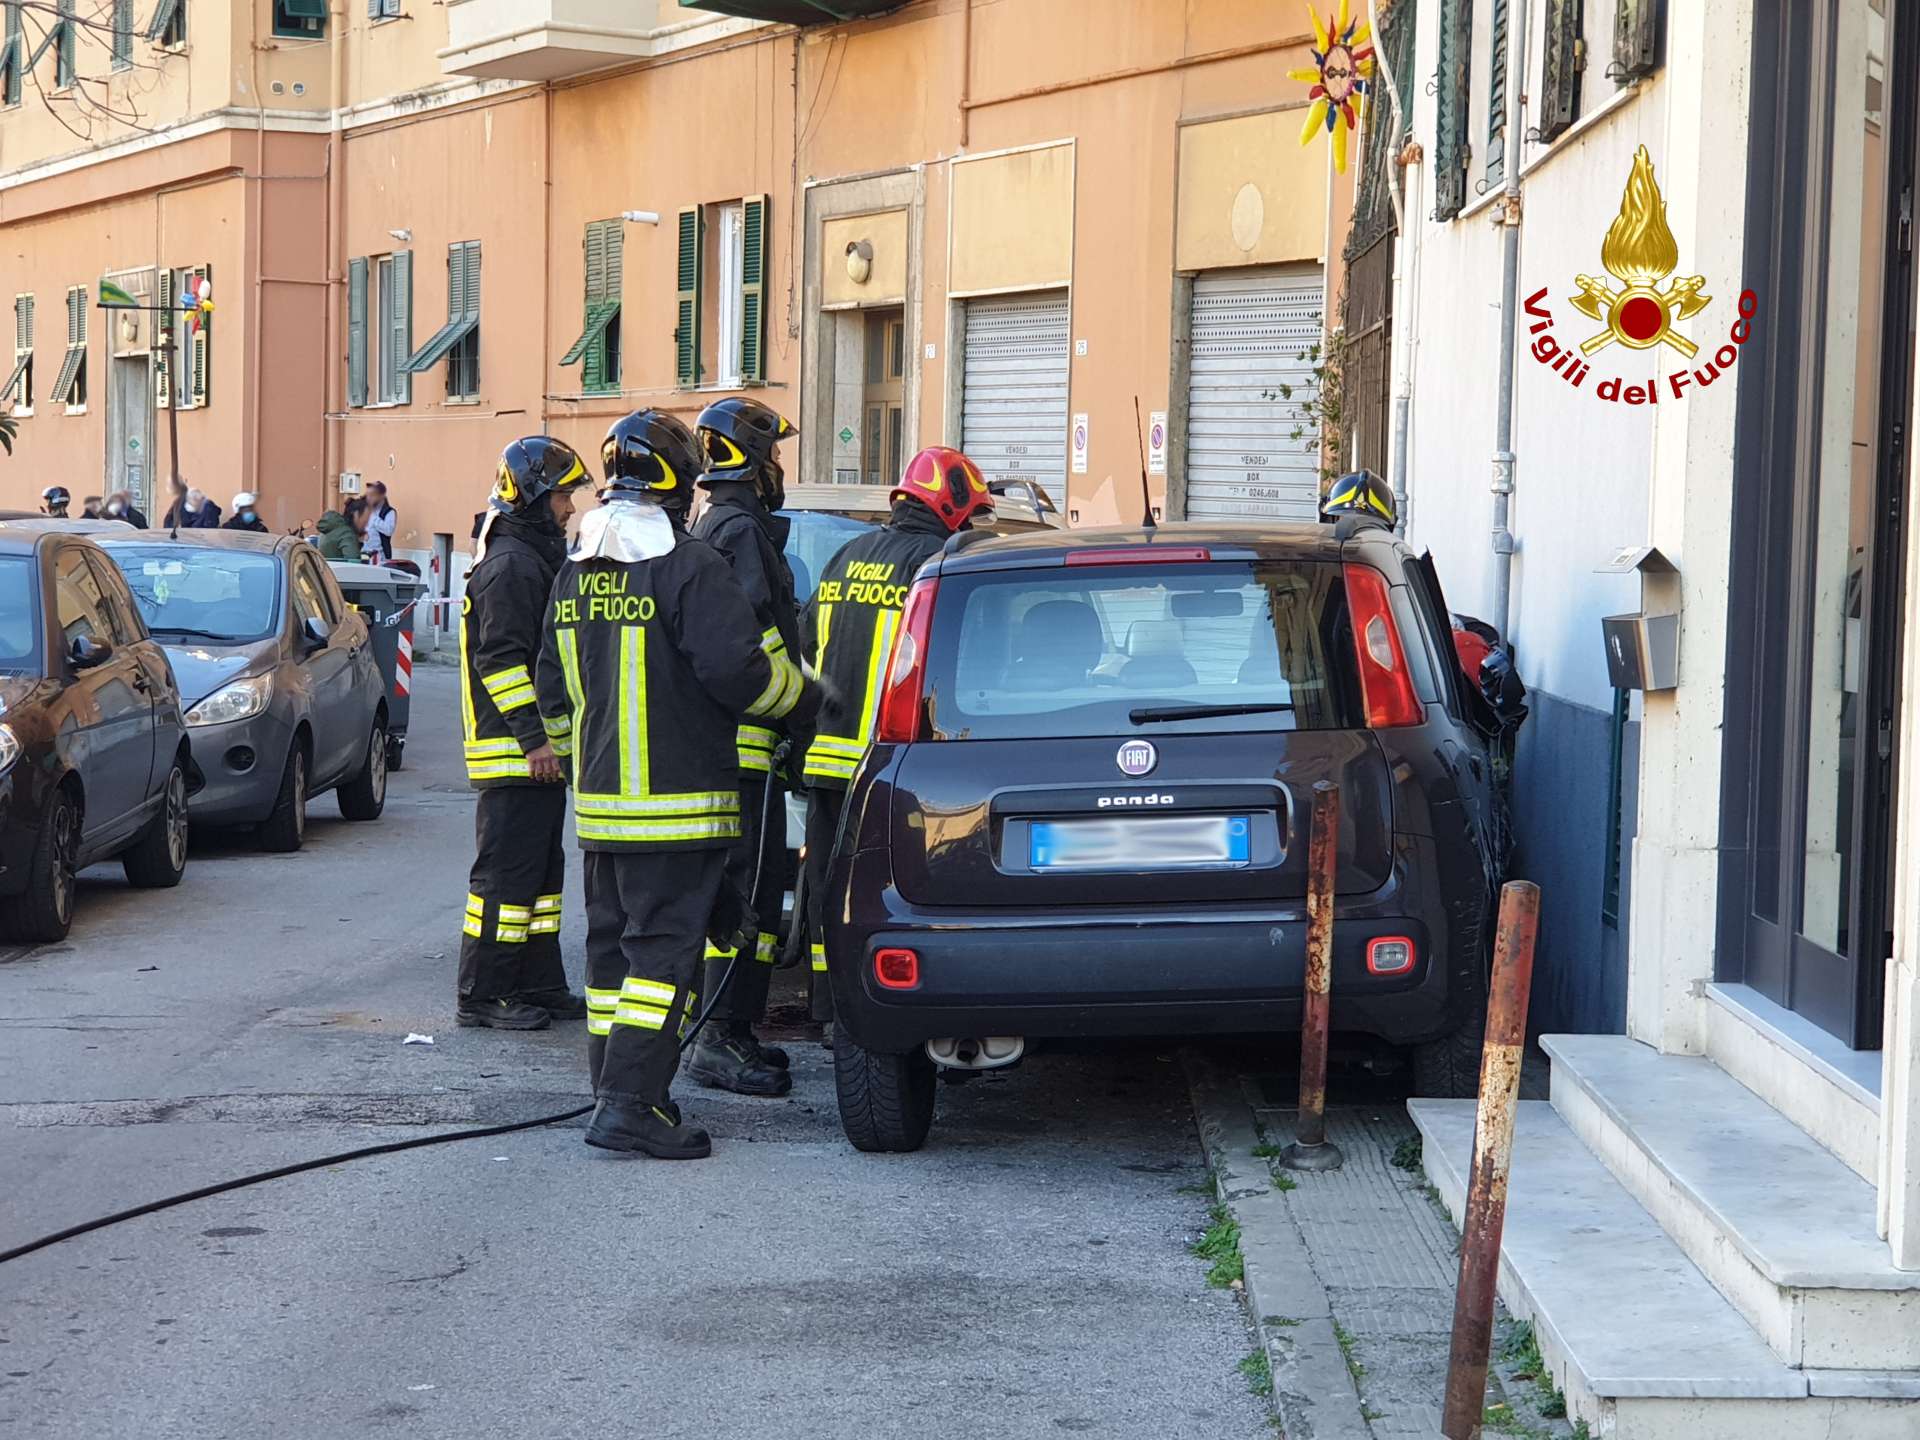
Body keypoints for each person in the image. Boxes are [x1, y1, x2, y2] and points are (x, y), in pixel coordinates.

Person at [535, 410, 820, 1160]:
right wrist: (804, 703)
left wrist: (582, 767)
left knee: (611, 961)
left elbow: (552, 687)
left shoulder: (577, 568)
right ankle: (631, 1104)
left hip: (600, 813)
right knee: (663, 960)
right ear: (679, 478)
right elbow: (740, 673)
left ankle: (614, 1086)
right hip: (680, 809)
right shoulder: (688, 565)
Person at [799, 447, 993, 1022]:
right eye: (972, 512)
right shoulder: (940, 562)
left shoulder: (846, 556)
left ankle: (826, 1007)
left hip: (827, 760)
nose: (973, 523)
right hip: (889, 771)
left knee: (825, 889)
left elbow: (805, 645)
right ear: (951, 503)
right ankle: (870, 1013)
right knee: (879, 897)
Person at [685, 397, 803, 1099]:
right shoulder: (741, 532)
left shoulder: (721, 525)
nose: (779, 466)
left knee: (745, 892)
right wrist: (800, 709)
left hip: (735, 747)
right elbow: (757, 642)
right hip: (746, 750)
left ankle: (732, 1028)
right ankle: (720, 1036)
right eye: (775, 453)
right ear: (754, 462)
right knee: (748, 895)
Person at [456, 437, 595, 1032]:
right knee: (505, 880)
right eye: (563, 495)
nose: (570, 508)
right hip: (515, 752)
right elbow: (504, 663)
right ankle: (483, 994)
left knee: (539, 879)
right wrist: (535, 739)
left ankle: (537, 982)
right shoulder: (511, 566)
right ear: (534, 497)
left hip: (535, 753)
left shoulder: (530, 556)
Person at [363, 481, 397, 564]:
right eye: (368, 495)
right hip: (364, 554)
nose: (369, 497)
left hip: (380, 557)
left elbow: (389, 531)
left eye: (372, 495)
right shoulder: (365, 511)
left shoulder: (389, 512)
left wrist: (373, 517)